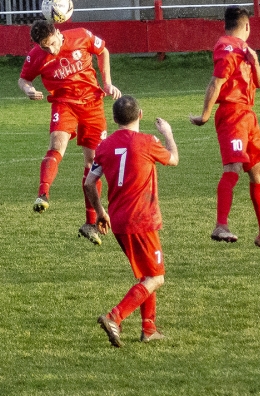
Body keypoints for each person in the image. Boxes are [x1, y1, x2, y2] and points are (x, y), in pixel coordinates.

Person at [190, 5, 260, 256]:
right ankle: (220, 226)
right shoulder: (226, 47)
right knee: (233, 167)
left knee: (259, 170)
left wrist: (255, 62)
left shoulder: (244, 49)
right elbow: (217, 82)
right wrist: (205, 115)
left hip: (248, 115)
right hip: (232, 115)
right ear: (247, 26)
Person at [84, 95, 178, 347]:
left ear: (114, 119)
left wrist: (100, 212)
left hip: (118, 220)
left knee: (146, 274)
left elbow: (89, 182)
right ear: (141, 115)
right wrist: (168, 133)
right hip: (142, 219)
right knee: (156, 277)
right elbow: (173, 159)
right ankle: (115, 316)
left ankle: (149, 328)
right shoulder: (148, 142)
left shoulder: (104, 146)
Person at [18, 20, 122, 245]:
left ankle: (90, 223)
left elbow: (102, 50)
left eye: (53, 44)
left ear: (57, 32)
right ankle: (43, 193)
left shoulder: (81, 35)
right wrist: (28, 89)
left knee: (93, 163)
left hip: (92, 104)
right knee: (57, 144)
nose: (51, 50)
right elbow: (24, 78)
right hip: (64, 104)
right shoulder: (36, 55)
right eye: (45, 47)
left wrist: (108, 83)